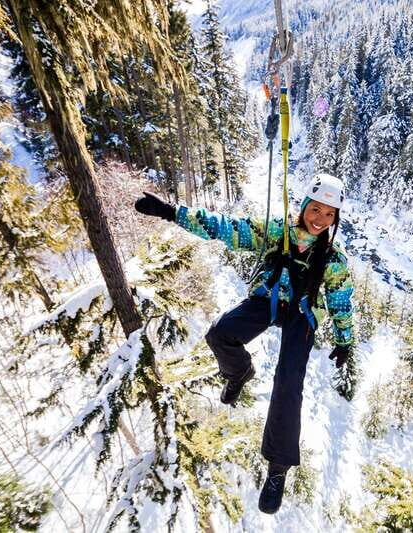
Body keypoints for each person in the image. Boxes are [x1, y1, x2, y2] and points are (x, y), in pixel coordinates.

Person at [134, 173, 354, 515]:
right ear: (304, 206)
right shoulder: (277, 232)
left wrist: (345, 341)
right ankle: (239, 372)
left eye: (329, 215)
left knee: (288, 382)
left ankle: (278, 468)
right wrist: (171, 212)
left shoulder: (333, 258)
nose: (320, 220)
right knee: (219, 334)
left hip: (302, 313)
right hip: (268, 298)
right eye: (316, 209)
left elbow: (340, 298)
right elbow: (226, 228)